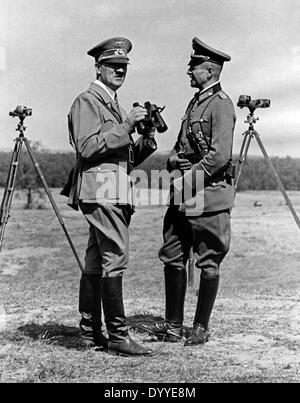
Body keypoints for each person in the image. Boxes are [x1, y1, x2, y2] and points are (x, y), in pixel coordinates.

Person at [139, 37, 236, 346]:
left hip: (206, 195)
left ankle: (200, 327)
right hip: (183, 197)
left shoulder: (221, 106)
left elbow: (219, 156)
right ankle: (172, 325)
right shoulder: (195, 102)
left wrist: (186, 182)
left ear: (209, 71)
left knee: (208, 260)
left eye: (193, 67)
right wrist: (171, 159)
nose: (189, 72)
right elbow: (184, 145)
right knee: (173, 255)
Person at [66, 37, 157, 356]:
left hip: (113, 189)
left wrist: (145, 137)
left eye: (123, 67)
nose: (120, 71)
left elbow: (123, 156)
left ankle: (89, 331)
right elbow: (87, 147)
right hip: (101, 190)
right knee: (115, 257)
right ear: (98, 67)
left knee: (97, 259)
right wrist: (126, 125)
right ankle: (117, 335)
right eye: (113, 66)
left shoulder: (114, 104)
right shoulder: (87, 101)